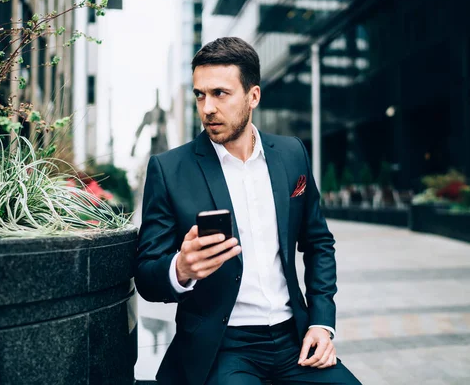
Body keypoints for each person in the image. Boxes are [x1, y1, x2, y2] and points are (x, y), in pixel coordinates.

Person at [135, 37, 361, 385]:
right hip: (224, 347)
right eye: (200, 94)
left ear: (253, 96)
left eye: (220, 94)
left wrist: (321, 323)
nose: (207, 107)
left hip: (294, 338)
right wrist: (179, 269)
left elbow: (318, 243)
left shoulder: (291, 154)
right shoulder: (169, 170)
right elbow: (147, 275)